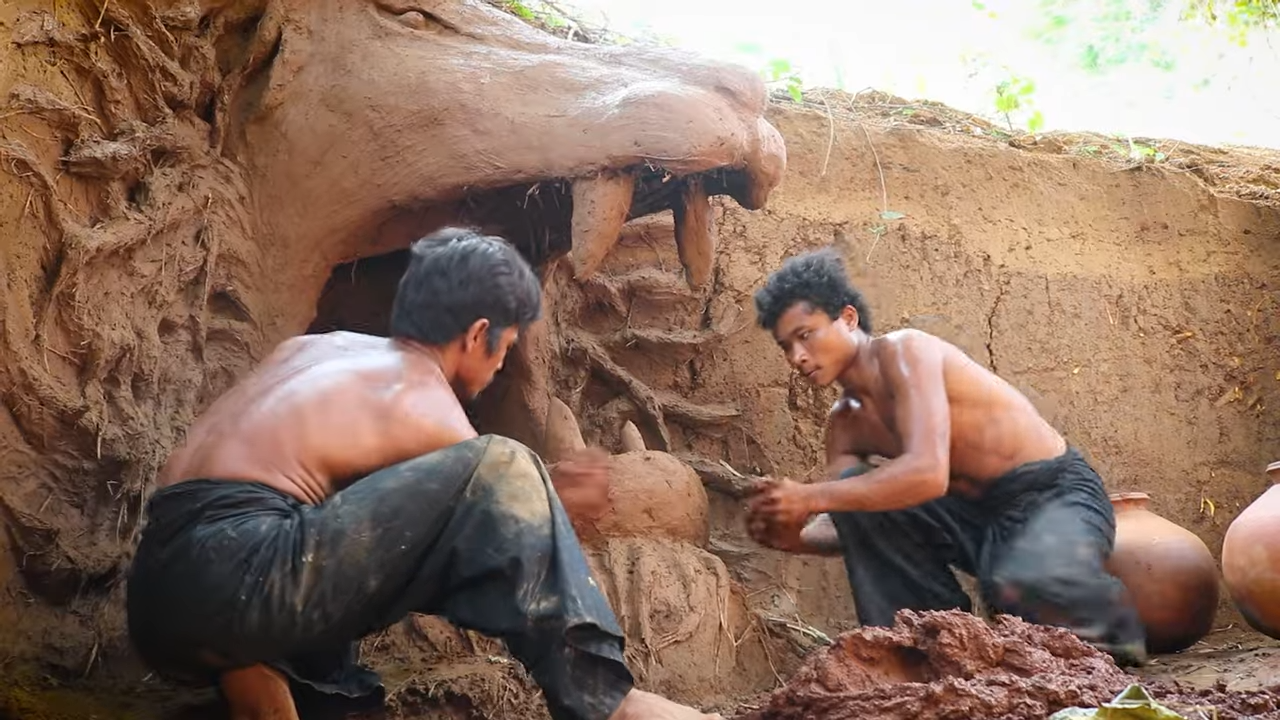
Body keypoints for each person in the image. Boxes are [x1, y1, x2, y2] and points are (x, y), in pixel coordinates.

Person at [125, 228, 722, 720]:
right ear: (478, 335)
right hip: (247, 572)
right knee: (504, 465)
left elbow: (370, 536)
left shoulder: (314, 351)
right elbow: (495, 521)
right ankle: (608, 701)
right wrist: (558, 494)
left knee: (328, 522)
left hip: (158, 590)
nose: (496, 370)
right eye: (505, 348)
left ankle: (271, 682)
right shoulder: (423, 400)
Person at [744, 247, 1148, 666]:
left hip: (1052, 495)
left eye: (805, 335)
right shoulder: (845, 423)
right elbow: (847, 516)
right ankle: (929, 650)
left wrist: (809, 497)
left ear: (847, 318)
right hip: (971, 516)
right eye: (785, 346)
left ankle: (1110, 639)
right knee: (853, 492)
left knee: (1014, 586)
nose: (797, 358)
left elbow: (926, 474)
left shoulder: (906, 353)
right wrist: (796, 538)